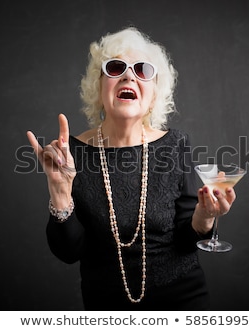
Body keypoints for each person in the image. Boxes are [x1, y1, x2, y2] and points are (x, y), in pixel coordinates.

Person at [26, 26, 236, 310]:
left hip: (183, 302)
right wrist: (60, 193)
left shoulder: (176, 144)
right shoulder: (70, 154)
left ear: (153, 95)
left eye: (142, 70)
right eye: (115, 68)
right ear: (99, 87)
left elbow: (188, 240)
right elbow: (68, 252)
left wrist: (206, 216)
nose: (128, 75)